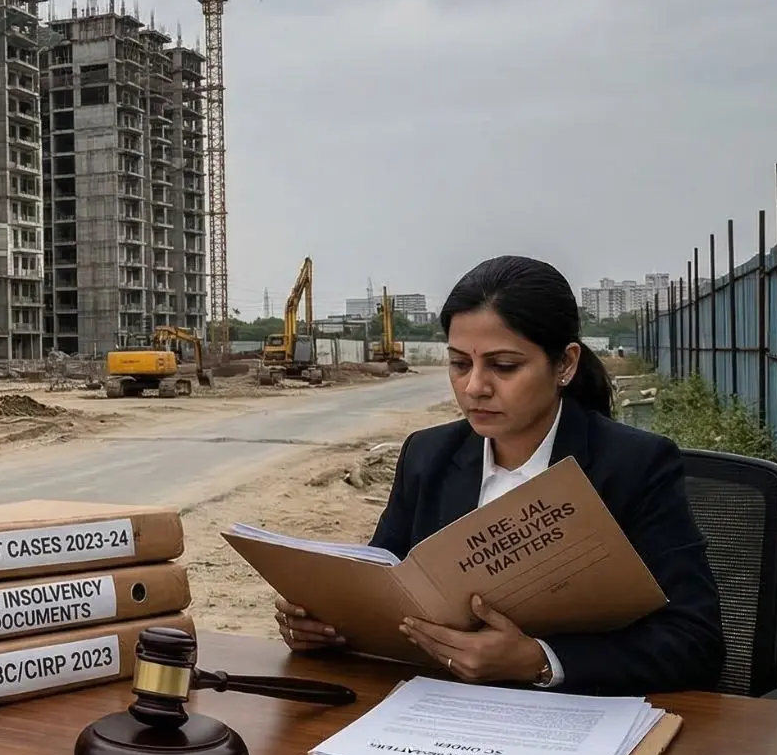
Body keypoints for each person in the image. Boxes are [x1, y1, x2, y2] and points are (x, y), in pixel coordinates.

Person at [275, 255, 724, 696]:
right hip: (438, 710)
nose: (475, 387)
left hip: (575, 719)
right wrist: (325, 625)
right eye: (459, 364)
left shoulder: (634, 465)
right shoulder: (427, 457)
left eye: (504, 366)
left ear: (565, 364)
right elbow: (384, 590)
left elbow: (696, 641)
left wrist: (539, 661)